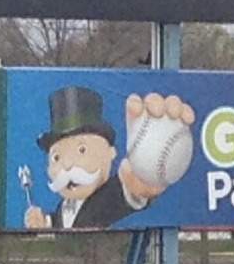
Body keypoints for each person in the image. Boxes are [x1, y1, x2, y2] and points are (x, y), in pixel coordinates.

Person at [22, 88, 191, 230]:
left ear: (110, 152)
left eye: (82, 150)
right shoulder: (65, 205)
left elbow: (125, 193)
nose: (66, 165)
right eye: (56, 157)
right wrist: (44, 223)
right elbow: (60, 222)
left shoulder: (105, 197)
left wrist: (143, 175)